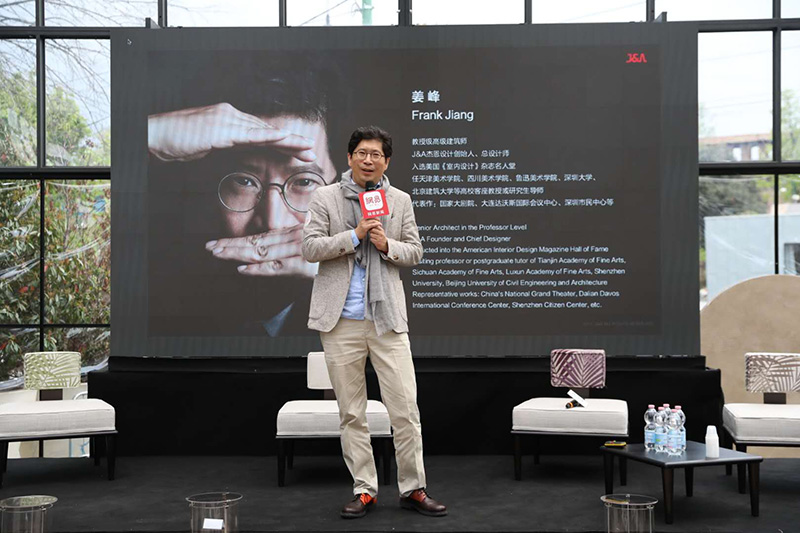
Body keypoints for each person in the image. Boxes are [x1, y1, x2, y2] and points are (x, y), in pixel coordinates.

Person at [302, 126, 447, 518]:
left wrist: (385, 245)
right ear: (350, 157)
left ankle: (413, 489)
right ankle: (364, 489)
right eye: (362, 153)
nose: (369, 160)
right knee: (352, 413)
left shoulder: (399, 201)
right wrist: (354, 236)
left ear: (387, 162)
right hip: (340, 322)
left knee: (406, 410)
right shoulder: (325, 197)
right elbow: (310, 247)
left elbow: (414, 251)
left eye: (376, 155)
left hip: (387, 320)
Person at [146, 55, 341, 336]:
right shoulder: (157, 303)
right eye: (244, 181)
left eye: (304, 182)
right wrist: (152, 134)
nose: (272, 222)